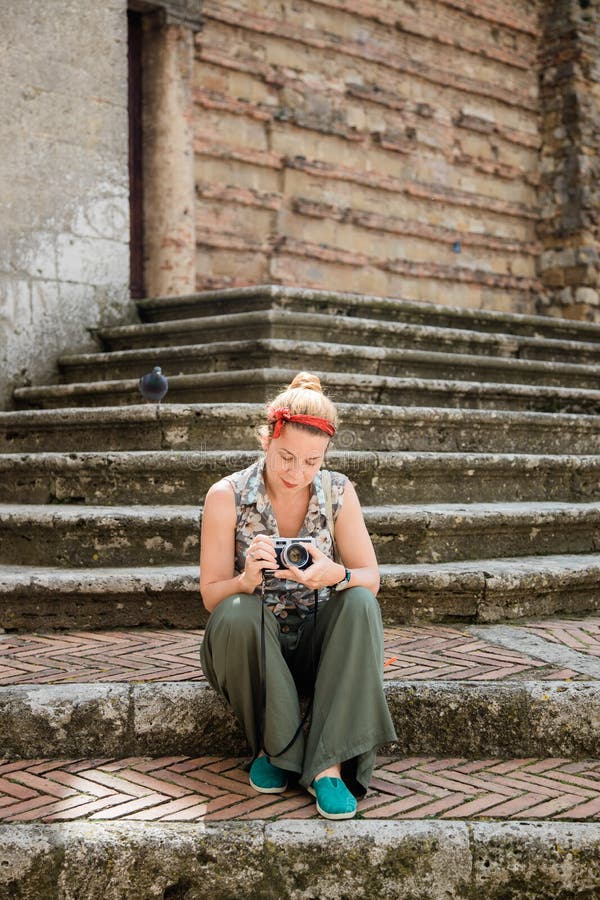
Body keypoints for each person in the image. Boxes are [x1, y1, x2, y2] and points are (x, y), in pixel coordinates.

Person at [199, 371, 397, 819]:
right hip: (254, 647)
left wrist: (333, 575)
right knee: (232, 611)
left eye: (312, 462)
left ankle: (328, 765)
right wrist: (244, 581)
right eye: (286, 457)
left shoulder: (339, 491)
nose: (297, 473)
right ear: (267, 438)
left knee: (360, 601)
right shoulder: (225, 496)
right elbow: (212, 595)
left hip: (317, 643)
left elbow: (371, 576)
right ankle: (279, 748)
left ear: (325, 455)